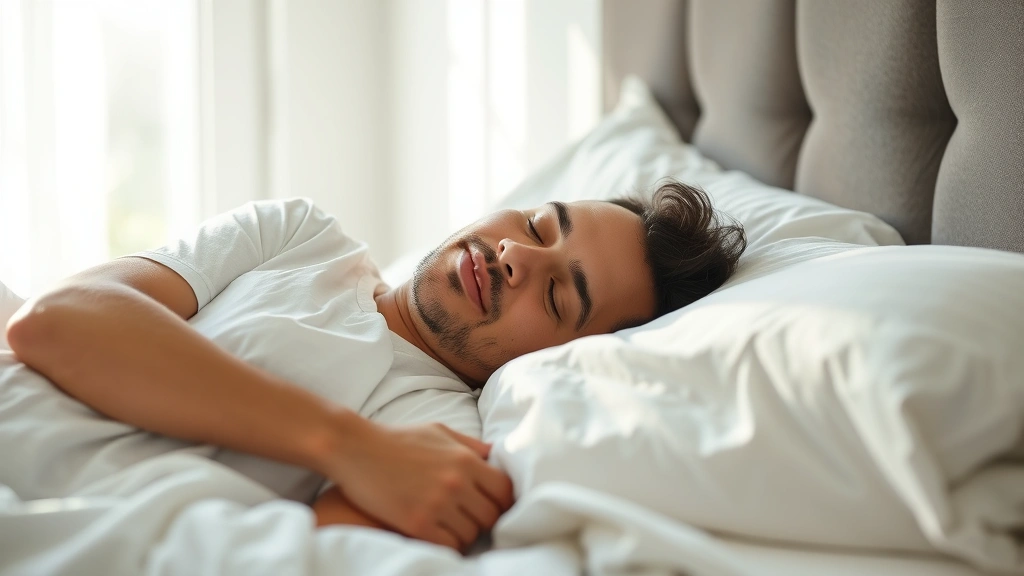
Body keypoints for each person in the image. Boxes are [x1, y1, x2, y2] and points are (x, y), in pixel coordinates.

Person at [3, 180, 745, 551]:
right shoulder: (296, 234)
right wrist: (345, 445)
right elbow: (55, 321)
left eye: (558, 295)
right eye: (536, 227)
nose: (518, 256)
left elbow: (305, 559)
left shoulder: (437, 436)